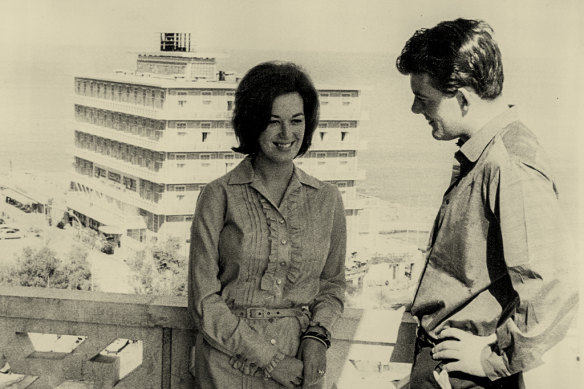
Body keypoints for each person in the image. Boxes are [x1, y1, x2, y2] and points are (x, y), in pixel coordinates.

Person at [395, 18, 578, 389]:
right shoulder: (486, 156)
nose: (416, 109)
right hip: (445, 369)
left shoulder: (509, 162)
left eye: (423, 98)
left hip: (467, 378)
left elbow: (556, 285)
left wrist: (494, 359)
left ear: (462, 98)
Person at [188, 61, 346, 388]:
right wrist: (270, 360)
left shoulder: (328, 199)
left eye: (296, 121)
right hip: (228, 364)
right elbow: (204, 300)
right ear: (252, 123)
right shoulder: (217, 196)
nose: (287, 134)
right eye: (273, 122)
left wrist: (317, 338)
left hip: (300, 365)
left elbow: (332, 286)